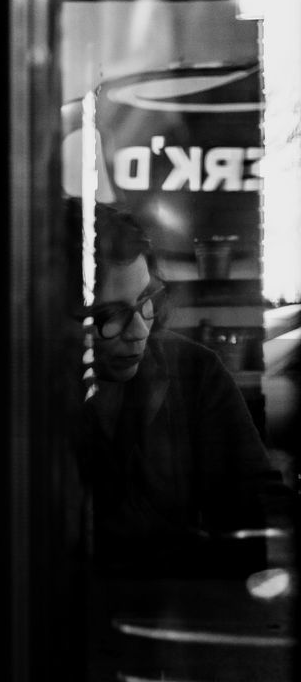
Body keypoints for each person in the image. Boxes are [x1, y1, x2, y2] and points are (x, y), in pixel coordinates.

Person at [78, 202, 278, 575]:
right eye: (109, 316)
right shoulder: (28, 395)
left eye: (145, 303)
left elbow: (256, 511)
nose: (139, 330)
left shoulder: (196, 373)